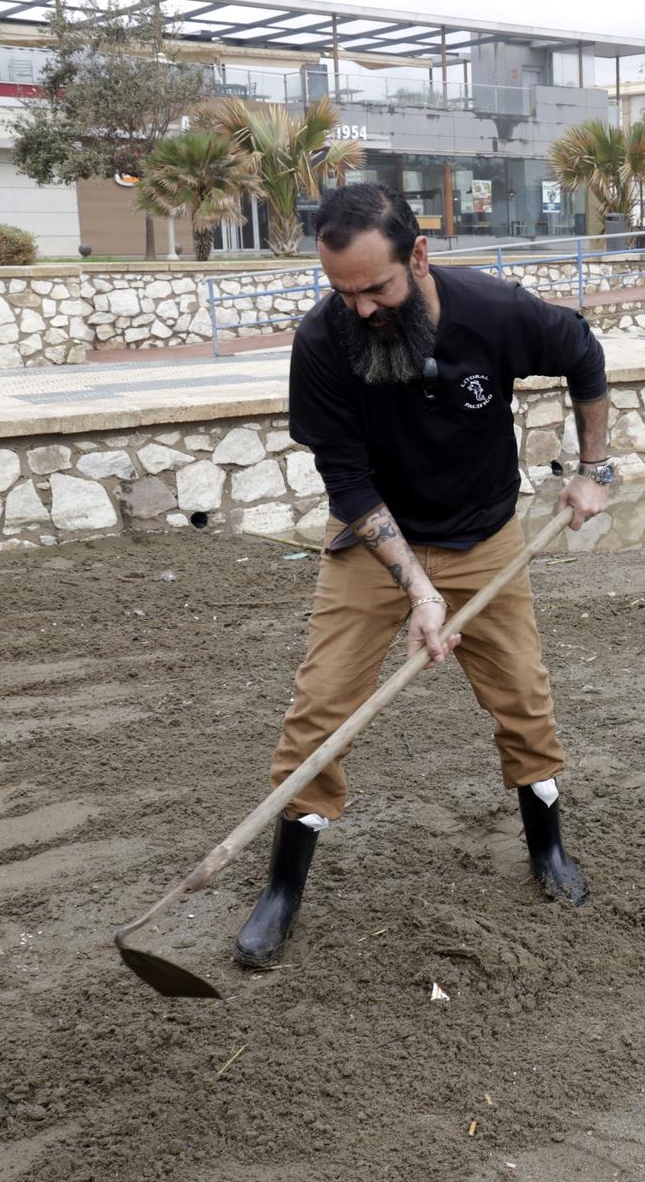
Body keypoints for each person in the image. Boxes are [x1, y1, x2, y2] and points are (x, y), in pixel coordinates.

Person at [233, 183, 612, 970]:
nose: (364, 308)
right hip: (375, 545)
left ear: (420, 255)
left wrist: (593, 469)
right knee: (321, 705)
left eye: (378, 287)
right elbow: (346, 479)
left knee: (524, 696)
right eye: (344, 292)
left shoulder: (496, 312)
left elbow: (582, 353)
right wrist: (418, 587)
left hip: (486, 538)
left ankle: (547, 847)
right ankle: (281, 890)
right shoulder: (324, 342)